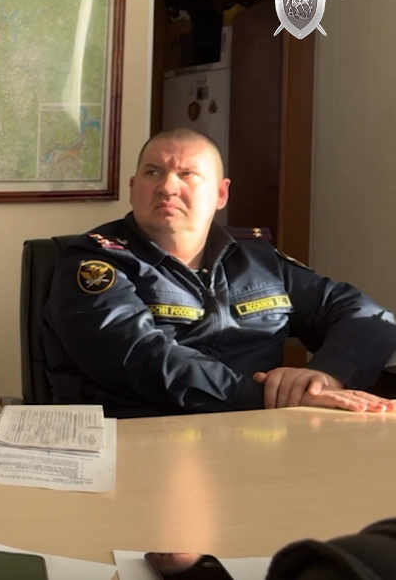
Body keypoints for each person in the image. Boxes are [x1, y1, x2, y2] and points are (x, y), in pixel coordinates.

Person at [41, 128, 396, 418]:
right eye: (153, 172)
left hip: (261, 435)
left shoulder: (257, 259)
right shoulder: (95, 263)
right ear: (133, 189)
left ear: (221, 193)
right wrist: (274, 399)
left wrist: (325, 377)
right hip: (143, 435)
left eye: (187, 174)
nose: (167, 187)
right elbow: (139, 358)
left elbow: (367, 317)